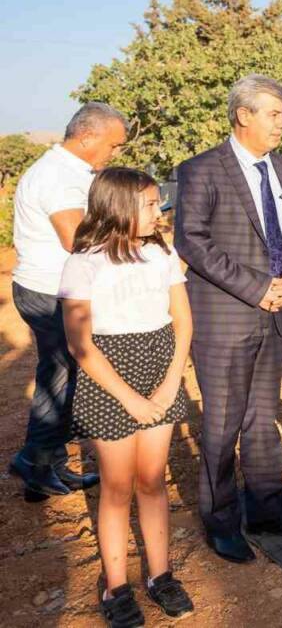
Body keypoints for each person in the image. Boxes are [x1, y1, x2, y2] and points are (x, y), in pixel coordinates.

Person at [175, 74, 282, 564]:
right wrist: (258, 288)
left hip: (276, 315)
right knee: (222, 421)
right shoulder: (201, 170)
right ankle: (220, 520)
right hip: (227, 318)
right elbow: (192, 241)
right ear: (244, 115)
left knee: (261, 419)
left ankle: (267, 509)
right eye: (274, 113)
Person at [60, 168, 195, 625]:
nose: (160, 211)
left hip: (160, 366)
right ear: (117, 206)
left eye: (159, 203)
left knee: (153, 480)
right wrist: (131, 399)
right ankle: (116, 587)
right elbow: (81, 344)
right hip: (108, 377)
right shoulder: (85, 260)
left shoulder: (161, 251)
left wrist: (173, 378)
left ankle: (161, 576)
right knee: (117, 488)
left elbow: (182, 320)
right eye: (151, 204)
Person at [9, 102, 126, 500]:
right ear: (88, 136)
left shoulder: (66, 171)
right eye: (113, 145)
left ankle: (48, 465)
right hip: (49, 292)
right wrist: (128, 235)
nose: (114, 153)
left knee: (65, 375)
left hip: (49, 287)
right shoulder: (59, 177)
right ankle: (35, 461)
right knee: (59, 377)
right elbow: (75, 238)